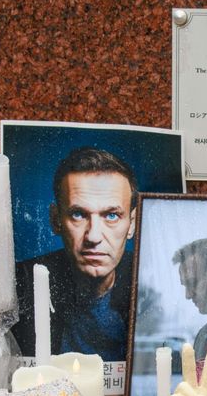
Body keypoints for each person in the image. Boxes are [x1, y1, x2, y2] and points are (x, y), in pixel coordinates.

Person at [11, 146, 137, 360]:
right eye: (78, 214)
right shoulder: (20, 283)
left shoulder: (151, 285)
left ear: (132, 224)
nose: (94, 236)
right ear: (56, 220)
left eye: (112, 216)